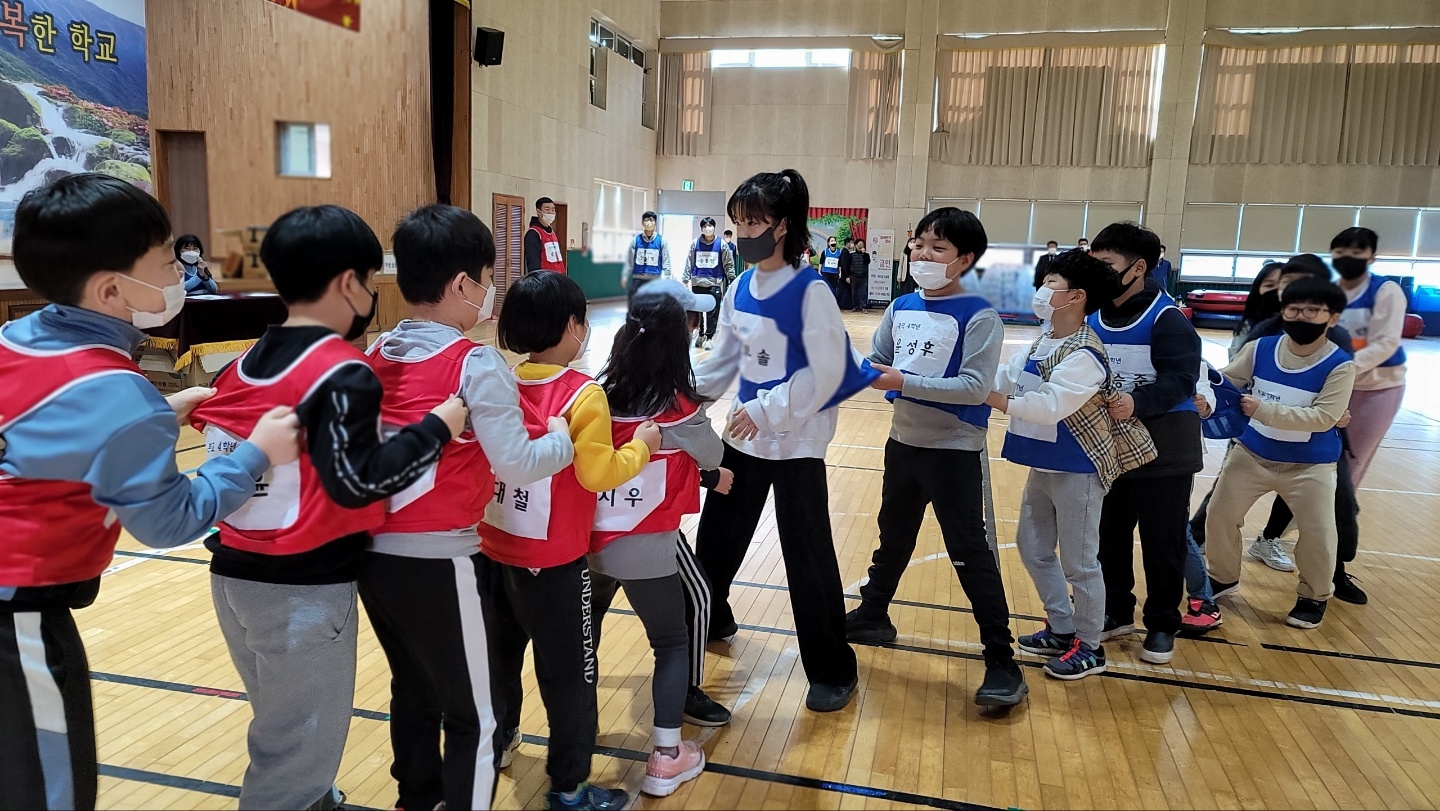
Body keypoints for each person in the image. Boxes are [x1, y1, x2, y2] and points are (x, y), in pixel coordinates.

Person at [0, 173, 299, 811]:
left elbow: (49, 429)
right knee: (49, 793)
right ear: (112, 288)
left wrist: (158, 413)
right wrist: (256, 453)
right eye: (167, 261)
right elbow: (169, 522)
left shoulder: (11, 342)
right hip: (17, 619)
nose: (178, 274)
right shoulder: (116, 393)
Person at [191, 205, 469, 811]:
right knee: (294, 755)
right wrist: (438, 428)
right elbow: (357, 482)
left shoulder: (243, 363)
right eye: (370, 283)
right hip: (302, 593)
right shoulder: (341, 370)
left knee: (282, 728)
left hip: (234, 578)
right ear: (349, 284)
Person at [359, 205, 576, 811]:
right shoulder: (473, 362)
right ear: (461, 285)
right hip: (441, 558)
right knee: (475, 715)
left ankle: (417, 799)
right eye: (486, 276)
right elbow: (517, 464)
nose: (489, 292)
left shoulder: (376, 354)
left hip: (372, 556)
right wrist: (560, 437)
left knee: (412, 688)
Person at [691, 169, 879, 714]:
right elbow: (725, 358)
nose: (742, 231)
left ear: (782, 226)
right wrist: (685, 394)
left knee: (808, 556)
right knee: (717, 538)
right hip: (744, 438)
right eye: (738, 222)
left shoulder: (811, 290)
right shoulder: (739, 287)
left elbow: (827, 373)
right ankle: (711, 615)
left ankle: (831, 668)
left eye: (753, 221)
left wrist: (766, 410)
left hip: (795, 444)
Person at [478, 270, 658, 811]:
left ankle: (503, 741)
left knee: (499, 660)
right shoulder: (584, 394)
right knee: (571, 677)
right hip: (555, 563)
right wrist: (644, 447)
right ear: (572, 328)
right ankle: (570, 787)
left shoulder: (500, 380)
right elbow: (597, 473)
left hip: (494, 550)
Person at [844, 207, 1026, 706]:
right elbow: (876, 361)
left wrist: (904, 381)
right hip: (903, 444)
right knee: (893, 537)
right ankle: (873, 614)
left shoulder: (981, 315)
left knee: (970, 552)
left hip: (953, 453)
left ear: (964, 260)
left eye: (937, 248)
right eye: (919, 244)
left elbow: (973, 389)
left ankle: (1001, 661)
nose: (923, 254)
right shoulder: (901, 305)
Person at [588, 281, 731, 797]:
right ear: (679, 341)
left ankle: (579, 735)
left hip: (590, 544)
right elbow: (713, 456)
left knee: (589, 634)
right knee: (670, 642)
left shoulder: (597, 395)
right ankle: (667, 757)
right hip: (647, 547)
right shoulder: (680, 407)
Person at [989, 248, 1158, 680]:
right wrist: (974, 380)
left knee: (1080, 562)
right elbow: (1010, 375)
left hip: (1078, 467)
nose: (1042, 291)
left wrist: (995, 399)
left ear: (1077, 296)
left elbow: (1048, 406)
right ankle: (1062, 627)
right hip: (1044, 460)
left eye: (1051, 284)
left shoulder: (1085, 353)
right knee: (1032, 545)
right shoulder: (1045, 337)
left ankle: (1090, 645)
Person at [1205, 278, 1357, 629]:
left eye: (1312, 311)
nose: (1300, 316)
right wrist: (1206, 393)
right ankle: (1223, 576)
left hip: (1310, 466)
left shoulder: (1340, 365)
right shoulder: (1260, 349)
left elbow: (1324, 417)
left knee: (1318, 532)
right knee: (1220, 516)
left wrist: (1262, 410)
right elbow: (1228, 382)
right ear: (1283, 311)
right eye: (1293, 309)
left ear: (1331, 318)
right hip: (1252, 454)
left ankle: (1314, 594)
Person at [1087, 221, 1202, 665]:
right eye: (1094, 263)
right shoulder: (1093, 314)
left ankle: (1160, 624)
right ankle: (1116, 611)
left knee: (1163, 541)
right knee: (1108, 535)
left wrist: (1135, 401)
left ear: (1137, 268)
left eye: (1107, 265)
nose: (1098, 272)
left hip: (1165, 452)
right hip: (1109, 448)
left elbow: (1180, 380)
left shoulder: (1168, 319)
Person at [1332, 227, 1406, 521]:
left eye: (1356, 252)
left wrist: (1346, 369)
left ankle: (1335, 529)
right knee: (1317, 461)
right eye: (1341, 252)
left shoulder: (1386, 290)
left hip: (1378, 388)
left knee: (1351, 464)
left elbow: (1386, 343)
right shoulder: (1331, 291)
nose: (1347, 258)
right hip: (1335, 384)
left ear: (1372, 257)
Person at [682, 216, 734, 348]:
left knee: (713, 312)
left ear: (714, 227)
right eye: (705, 226)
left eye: (710, 226)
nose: (707, 228)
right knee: (698, 312)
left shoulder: (721, 244)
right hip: (698, 283)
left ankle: (710, 338)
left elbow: (728, 263)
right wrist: (685, 279)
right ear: (701, 229)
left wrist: (731, 278)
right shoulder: (695, 243)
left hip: (714, 283)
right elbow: (690, 261)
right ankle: (700, 335)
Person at [1230, 262, 1285, 357]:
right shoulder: (1248, 325)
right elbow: (1235, 359)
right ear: (1258, 289)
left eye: (1284, 286)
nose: (1276, 291)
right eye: (1269, 286)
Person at [626, 210, 670, 301]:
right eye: (646, 220)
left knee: (653, 305)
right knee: (634, 304)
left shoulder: (662, 241)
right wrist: (625, 275)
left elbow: (666, 261)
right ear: (642, 223)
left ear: (655, 223)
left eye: (651, 220)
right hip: (638, 279)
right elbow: (630, 260)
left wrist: (667, 277)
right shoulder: (636, 240)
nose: (649, 222)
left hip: (655, 279)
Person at [524, 197, 565, 274]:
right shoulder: (533, 233)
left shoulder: (552, 233)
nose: (551, 212)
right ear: (539, 212)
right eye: (547, 209)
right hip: (544, 279)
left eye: (553, 210)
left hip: (558, 277)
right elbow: (533, 262)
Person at [849, 240, 871, 312]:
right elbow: (848, 265)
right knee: (853, 293)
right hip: (854, 276)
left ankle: (863, 307)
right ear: (856, 245)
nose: (861, 245)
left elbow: (867, 262)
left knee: (863, 293)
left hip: (863, 276)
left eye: (862, 244)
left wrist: (864, 253)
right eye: (860, 244)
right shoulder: (851, 255)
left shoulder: (866, 255)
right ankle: (854, 306)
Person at [837, 238, 856, 308]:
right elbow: (845, 265)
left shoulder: (847, 252)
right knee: (842, 291)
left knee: (846, 291)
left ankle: (847, 305)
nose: (852, 244)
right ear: (847, 243)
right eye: (851, 243)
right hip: (845, 276)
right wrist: (847, 276)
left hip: (845, 275)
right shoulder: (844, 252)